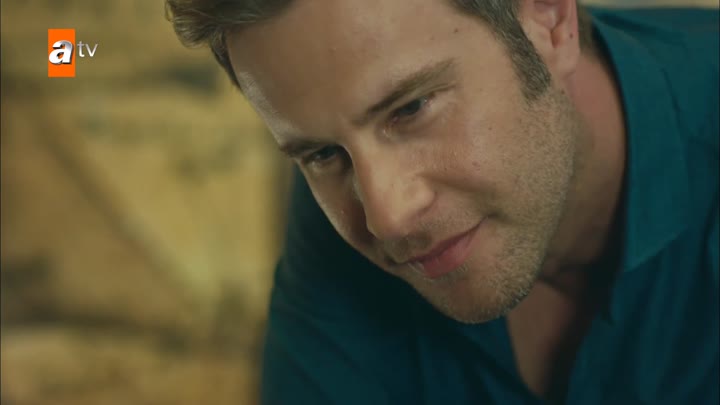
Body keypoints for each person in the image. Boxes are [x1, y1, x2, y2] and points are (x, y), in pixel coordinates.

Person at [166, 0, 719, 403]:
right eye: (322, 154)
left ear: (549, 22)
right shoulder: (352, 190)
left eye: (410, 109)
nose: (387, 218)